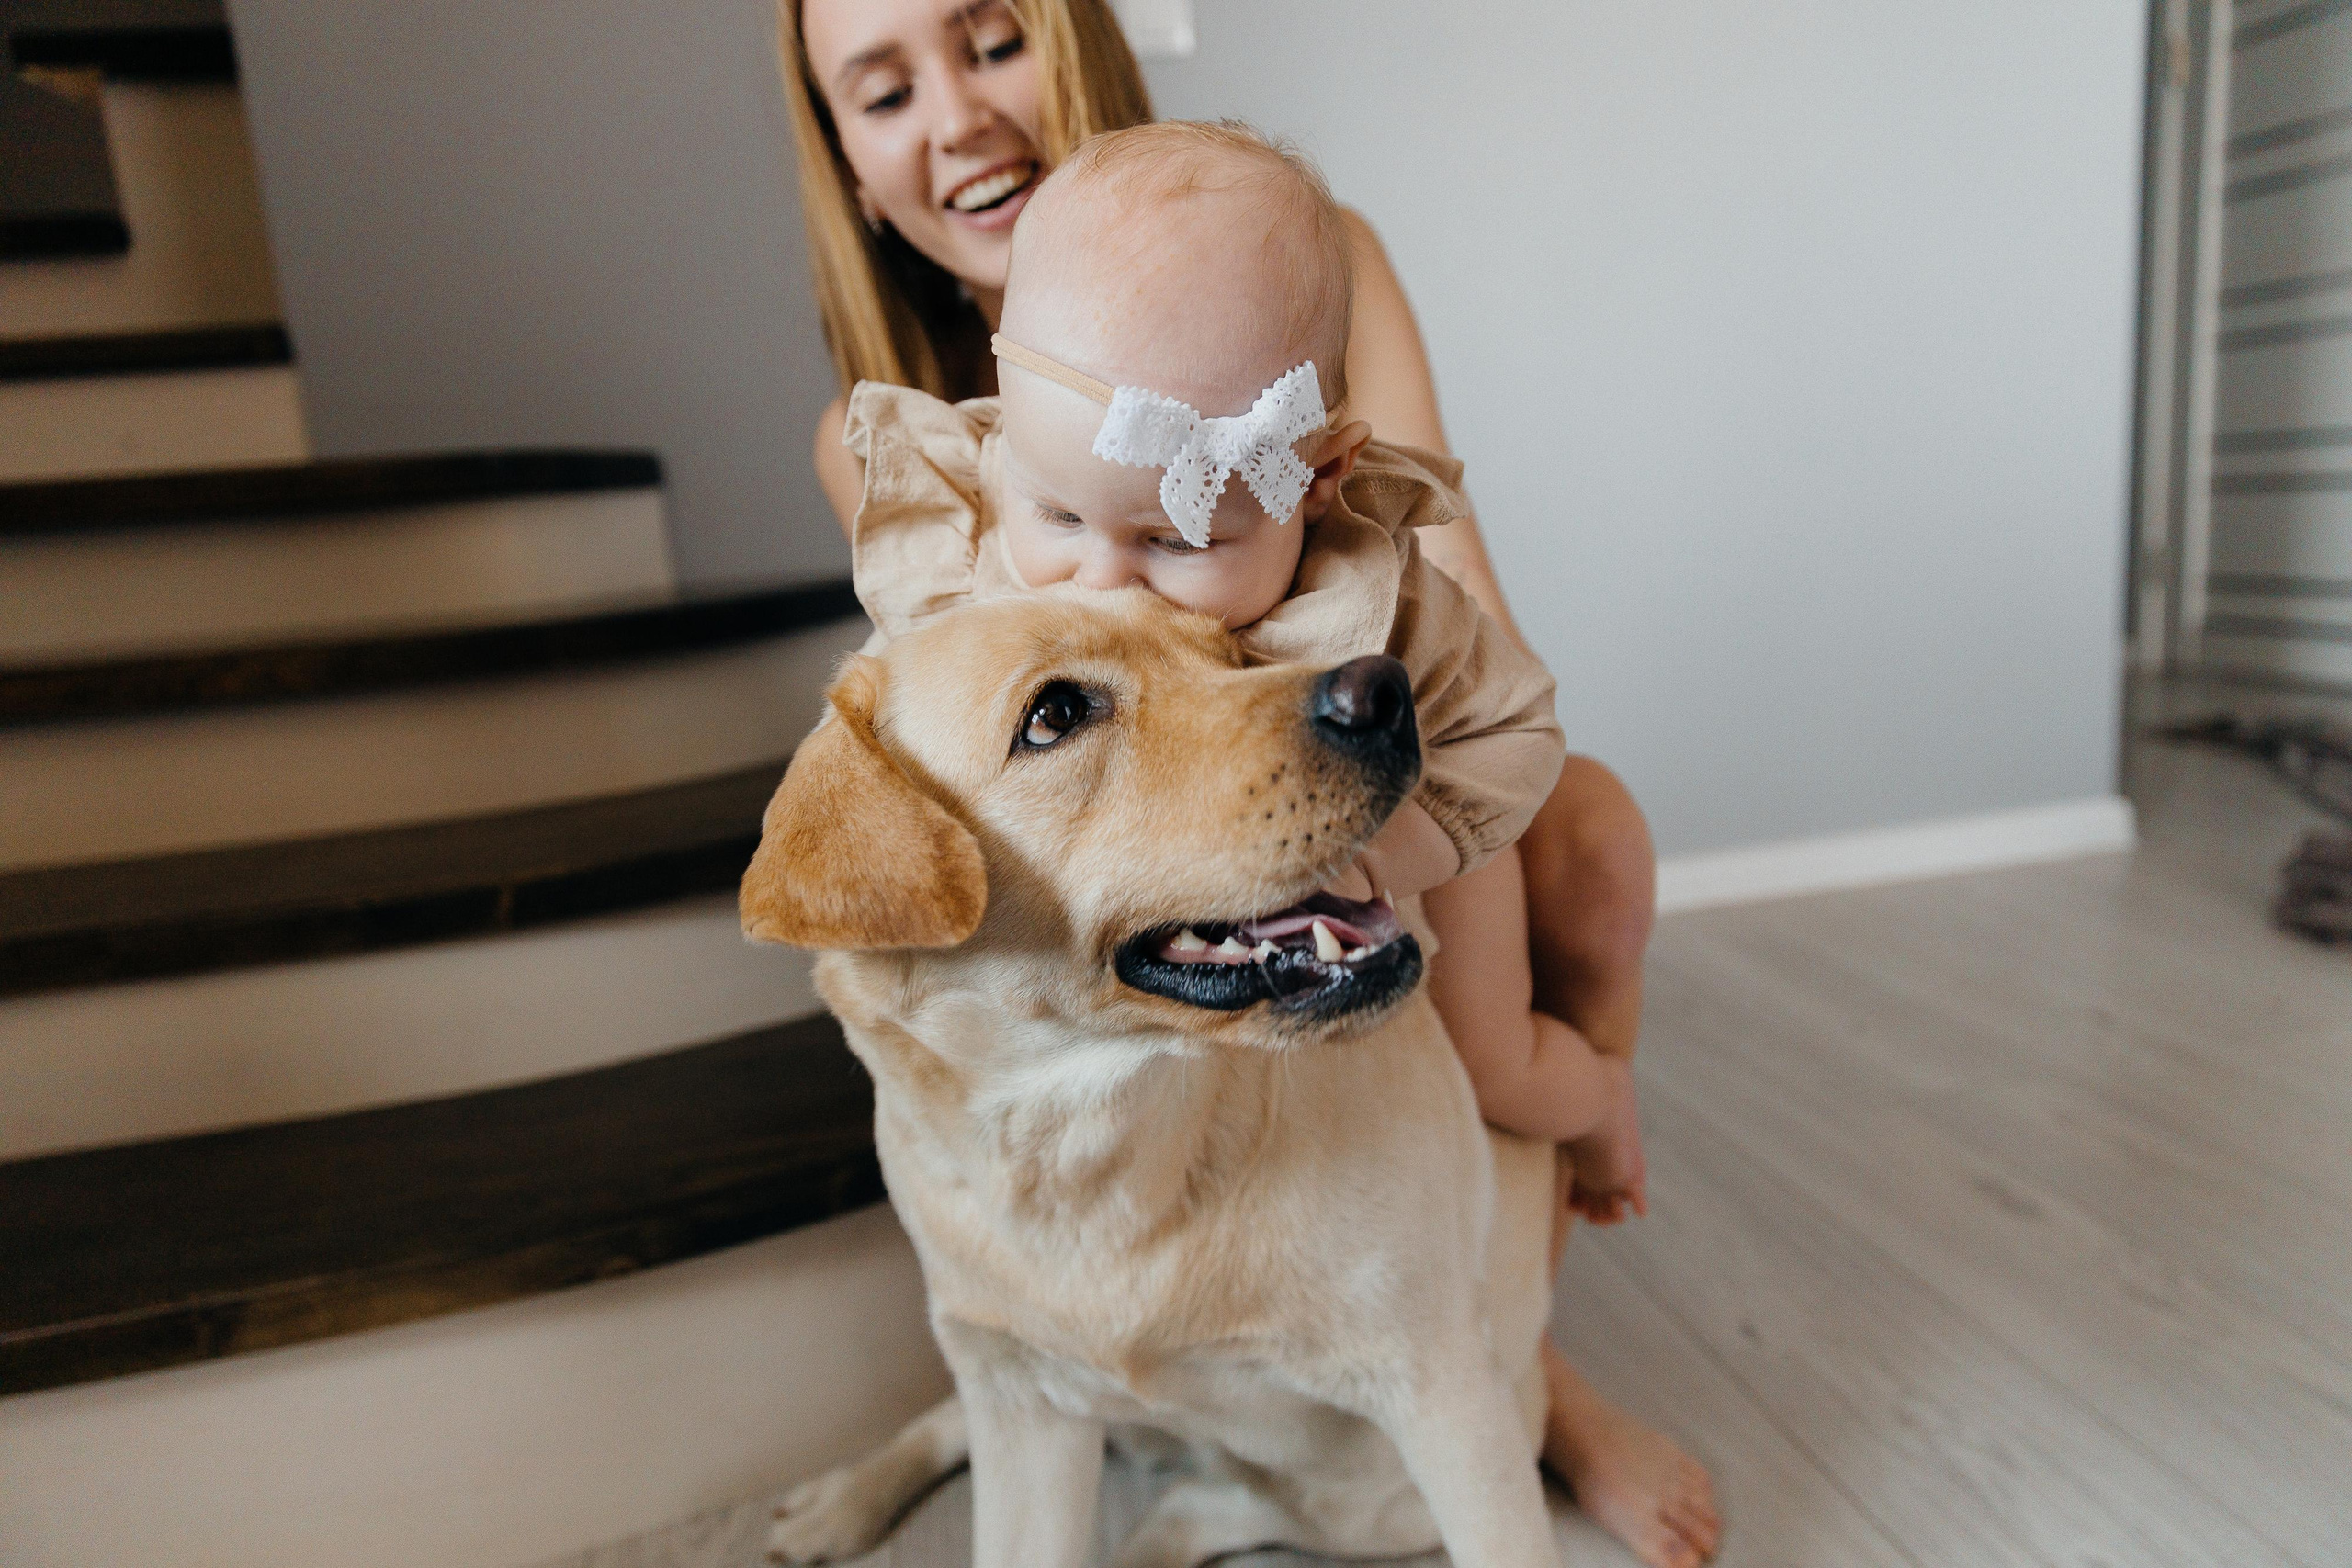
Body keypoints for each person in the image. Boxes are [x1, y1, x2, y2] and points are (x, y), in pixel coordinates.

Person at [781, 6, 1718, 1567]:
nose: (953, 117)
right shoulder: (904, 458)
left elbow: (1463, 607)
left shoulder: (1303, 267)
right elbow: (1009, 771)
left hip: (1386, 740)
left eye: (992, 38)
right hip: (1180, 814)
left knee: (1538, 955)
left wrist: (1382, 789)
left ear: (1075, 42)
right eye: (883, 90)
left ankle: (1539, 1298)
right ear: (855, 174)